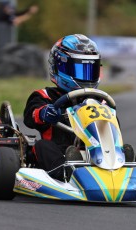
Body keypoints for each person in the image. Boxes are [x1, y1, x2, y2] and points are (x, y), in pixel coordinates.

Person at [23, 34, 101, 181]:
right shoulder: (45, 95)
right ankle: (66, 173)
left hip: (95, 152)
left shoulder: (98, 100)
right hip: (59, 153)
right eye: (80, 70)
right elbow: (31, 115)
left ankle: (118, 164)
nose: (86, 76)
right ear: (60, 67)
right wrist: (44, 112)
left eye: (90, 70)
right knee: (42, 146)